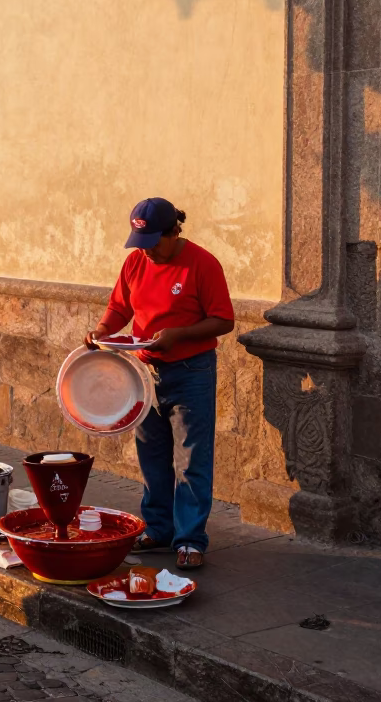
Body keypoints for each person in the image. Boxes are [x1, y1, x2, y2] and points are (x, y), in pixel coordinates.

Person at [85, 197, 236, 570]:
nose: (147, 250)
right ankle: (158, 528)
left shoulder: (203, 264)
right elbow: (120, 307)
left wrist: (178, 335)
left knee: (190, 459)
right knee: (151, 456)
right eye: (140, 242)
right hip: (143, 375)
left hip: (191, 372)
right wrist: (103, 331)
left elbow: (223, 320)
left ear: (174, 232)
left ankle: (190, 539)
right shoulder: (136, 261)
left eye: (154, 241)